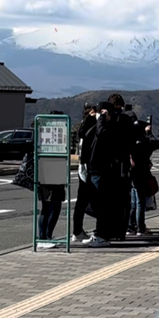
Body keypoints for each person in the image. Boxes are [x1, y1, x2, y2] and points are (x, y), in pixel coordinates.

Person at [83, 94, 138, 247]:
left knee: (101, 203)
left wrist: (101, 118)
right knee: (106, 203)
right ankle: (105, 233)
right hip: (109, 169)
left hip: (105, 169)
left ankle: (102, 235)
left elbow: (101, 134)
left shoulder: (112, 125)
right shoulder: (119, 122)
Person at [71, 104, 97, 243]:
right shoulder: (88, 129)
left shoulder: (84, 128)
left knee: (81, 202)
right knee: (84, 201)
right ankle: (77, 230)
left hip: (83, 168)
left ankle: (77, 230)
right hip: (87, 169)